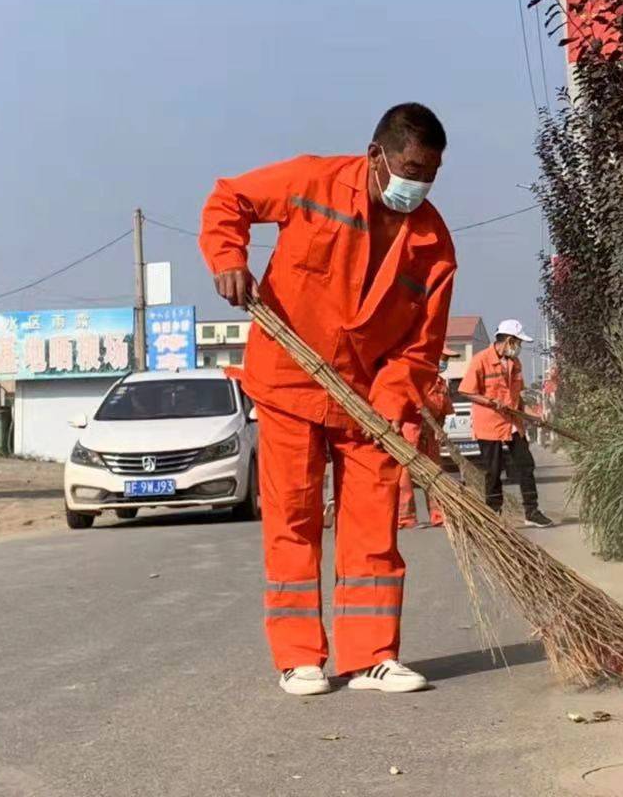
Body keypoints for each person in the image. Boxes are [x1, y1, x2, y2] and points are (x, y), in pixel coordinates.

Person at [198, 102, 455, 697]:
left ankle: (372, 658)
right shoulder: (312, 181)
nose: (420, 184)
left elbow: (422, 345)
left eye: (432, 174)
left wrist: (390, 401)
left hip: (368, 405)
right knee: (293, 520)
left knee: (373, 530)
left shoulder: (433, 244)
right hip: (289, 384)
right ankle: (299, 657)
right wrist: (229, 259)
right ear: (376, 156)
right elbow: (227, 200)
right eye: (412, 168)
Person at [460, 319, 554, 528]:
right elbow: (466, 390)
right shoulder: (480, 360)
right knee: (493, 470)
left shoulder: (515, 364)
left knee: (525, 464)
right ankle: (493, 513)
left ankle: (532, 511)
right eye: (518, 342)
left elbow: (518, 399)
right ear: (510, 340)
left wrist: (534, 416)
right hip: (490, 424)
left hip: (513, 422)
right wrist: (491, 402)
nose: (519, 347)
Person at [398, 374, 449, 529]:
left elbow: (444, 410)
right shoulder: (410, 378)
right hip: (410, 432)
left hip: (430, 434)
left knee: (434, 474)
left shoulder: (441, 383)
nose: (443, 362)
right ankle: (405, 518)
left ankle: (438, 515)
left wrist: (440, 428)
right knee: (405, 476)